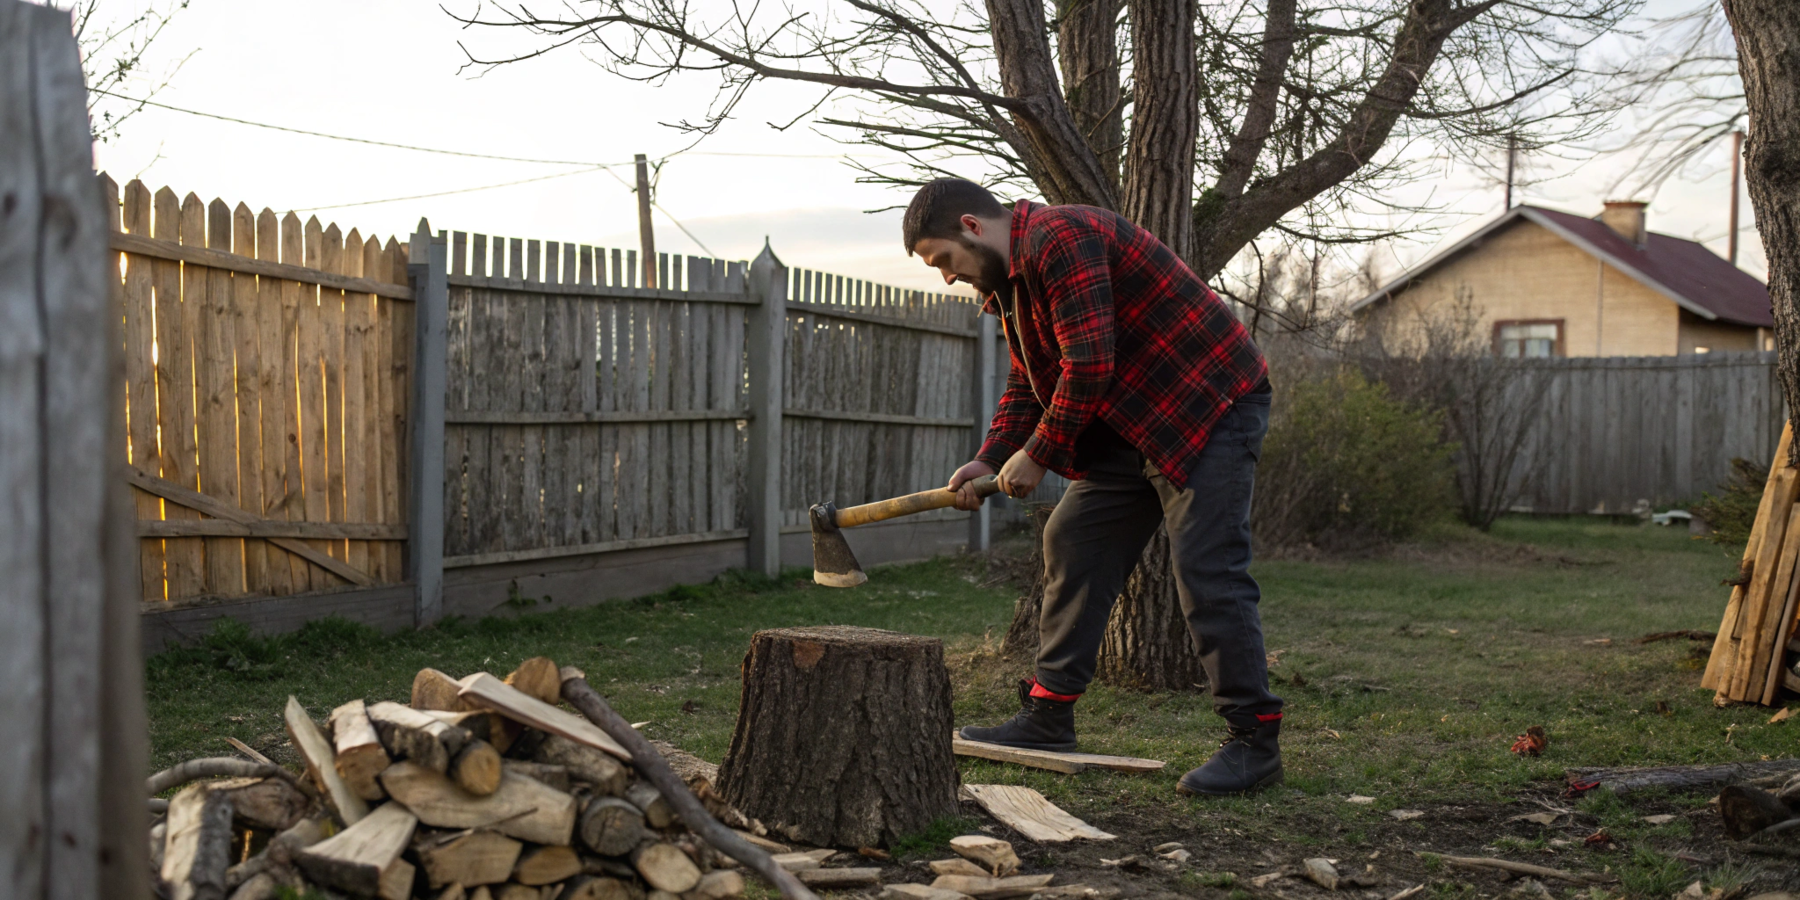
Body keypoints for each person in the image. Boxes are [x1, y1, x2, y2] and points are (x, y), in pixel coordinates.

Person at [905, 178, 1282, 796]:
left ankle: (1254, 742)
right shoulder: (1012, 287)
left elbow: (1090, 363)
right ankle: (1048, 717)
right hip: (1132, 421)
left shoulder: (1062, 237)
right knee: (1075, 536)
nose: (948, 277)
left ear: (972, 227)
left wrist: (1040, 454)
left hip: (1210, 405)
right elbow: (1030, 382)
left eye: (944, 260)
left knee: (1209, 568)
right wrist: (991, 456)